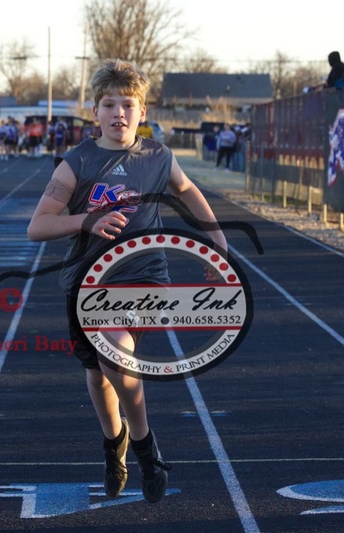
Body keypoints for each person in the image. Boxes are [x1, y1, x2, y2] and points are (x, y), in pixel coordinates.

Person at [26, 58, 227, 504]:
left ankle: (145, 449)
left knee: (116, 353)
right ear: (94, 112)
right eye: (109, 105)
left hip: (142, 276)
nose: (119, 113)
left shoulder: (158, 156)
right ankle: (113, 443)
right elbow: (37, 227)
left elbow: (187, 190)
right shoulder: (76, 163)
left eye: (128, 104)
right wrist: (86, 221)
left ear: (142, 111)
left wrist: (217, 240)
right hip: (86, 281)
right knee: (99, 374)